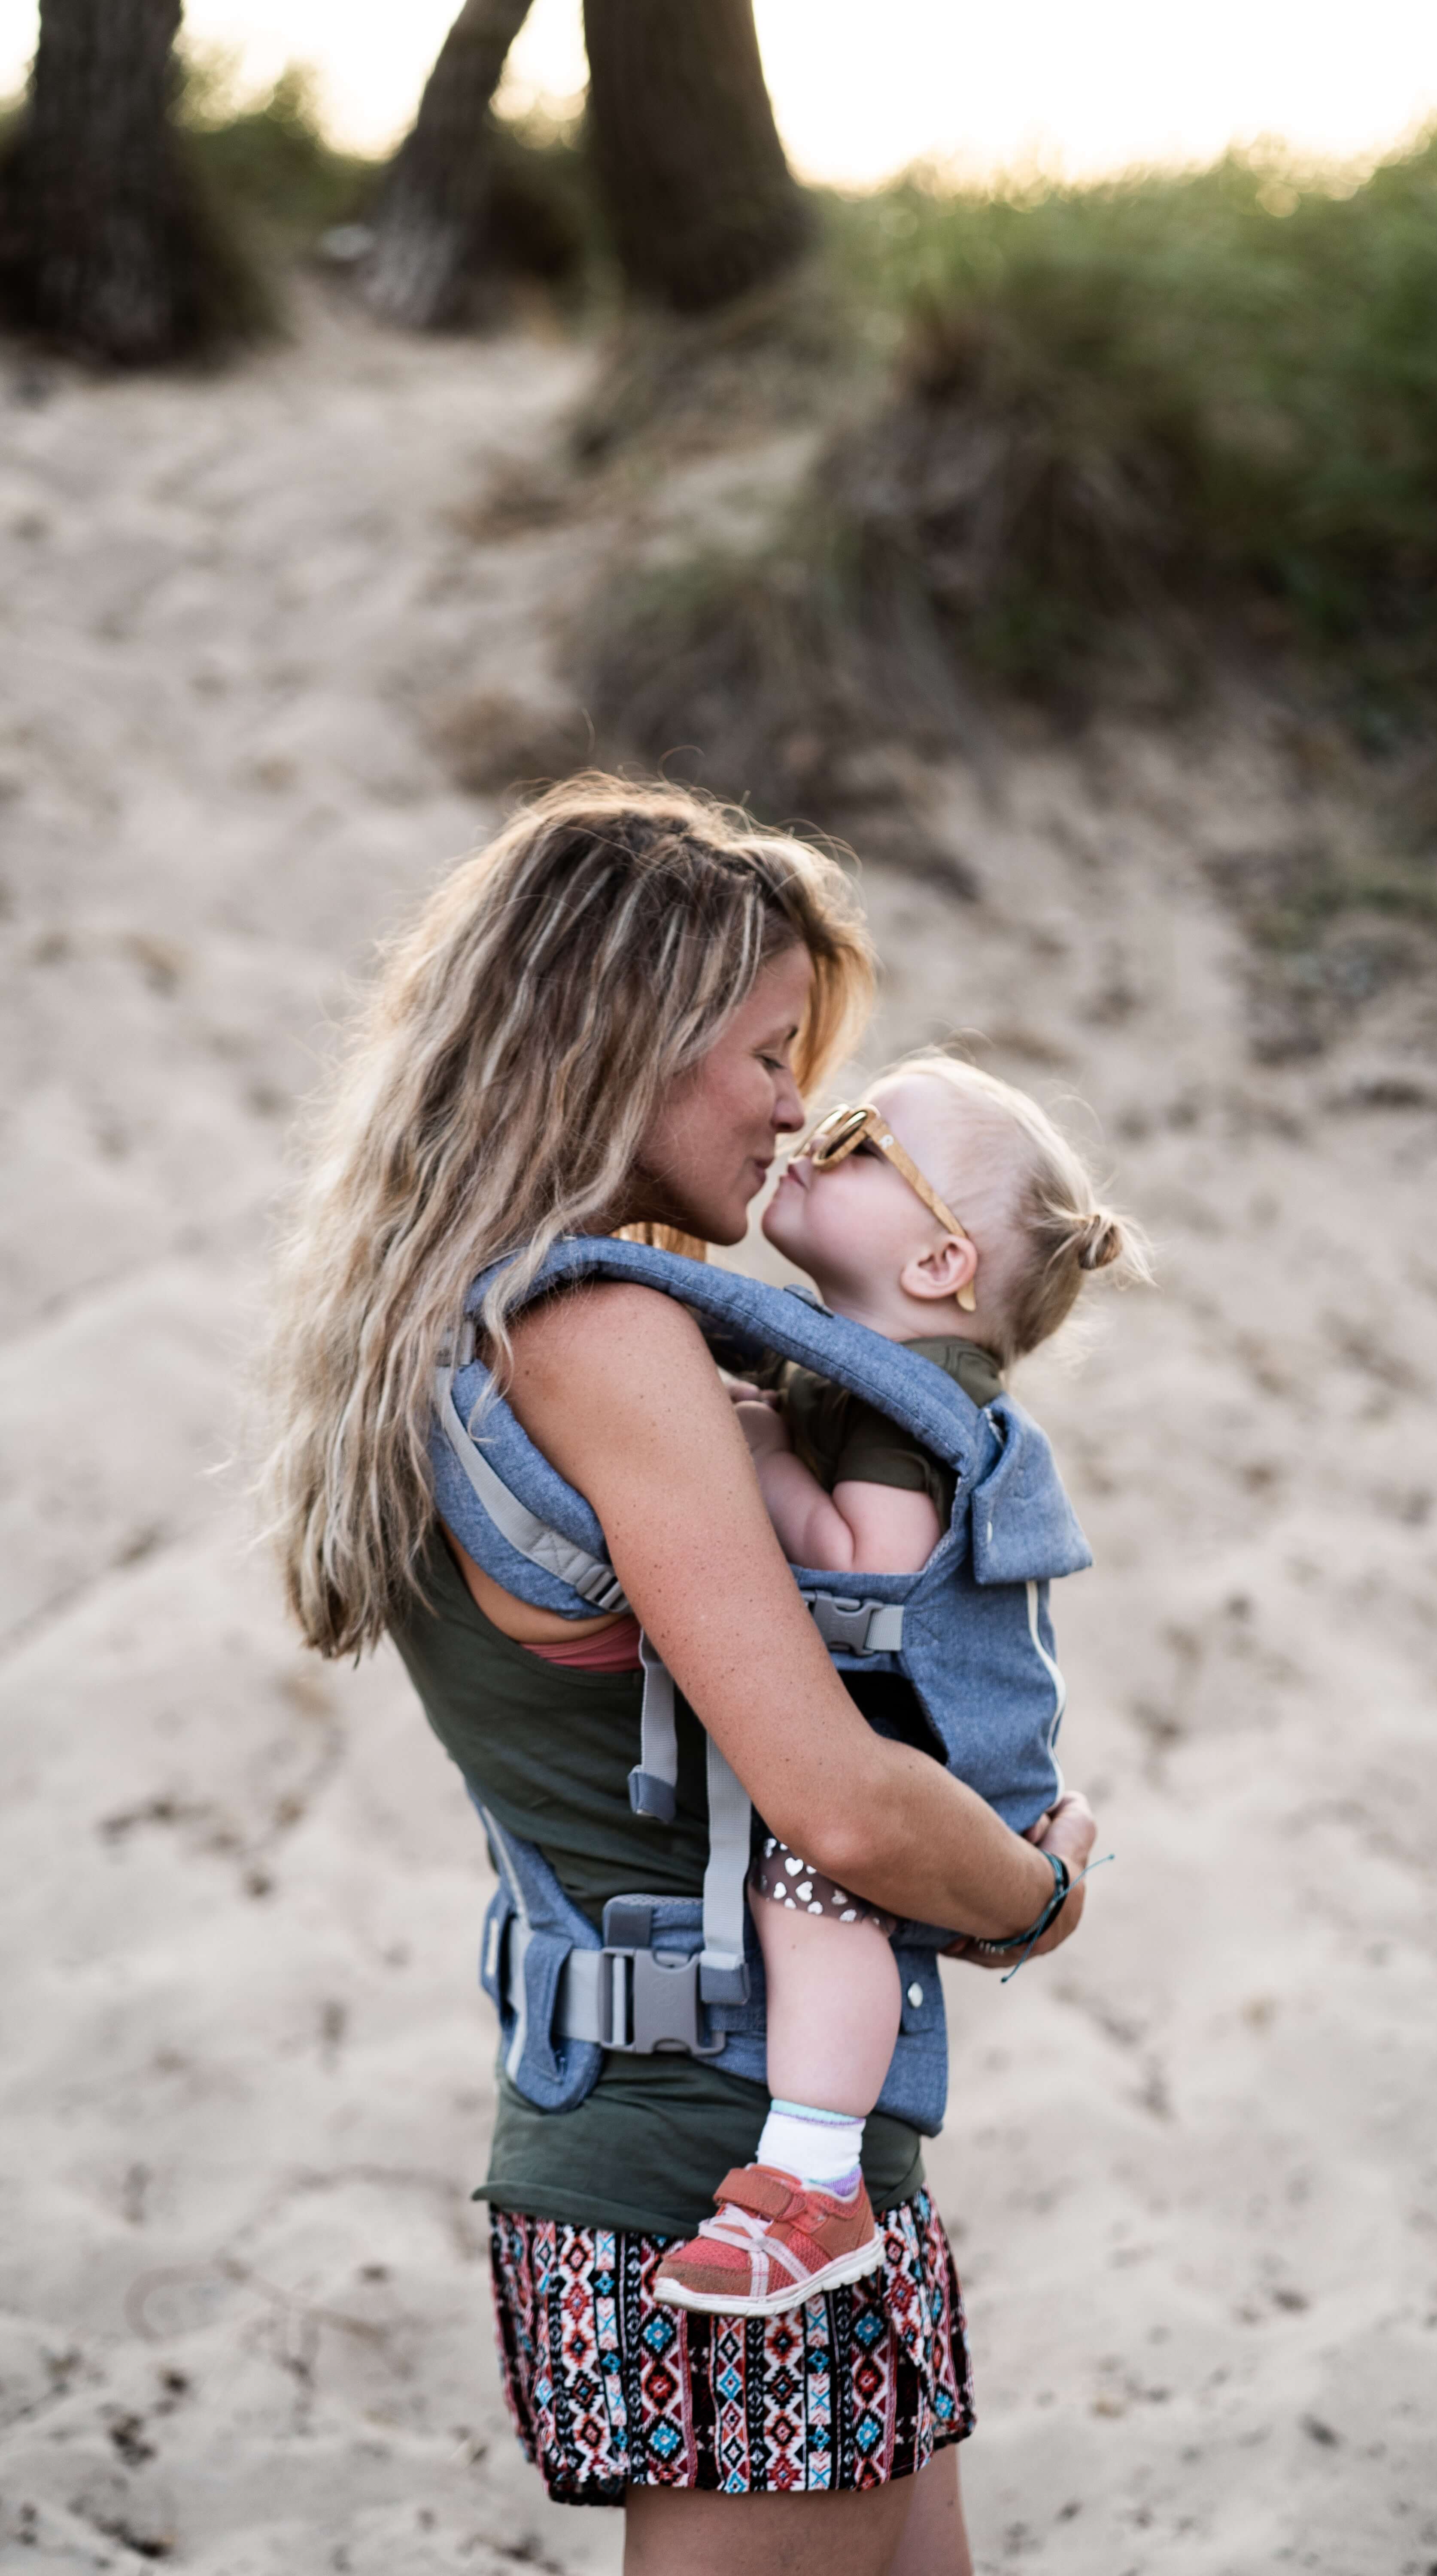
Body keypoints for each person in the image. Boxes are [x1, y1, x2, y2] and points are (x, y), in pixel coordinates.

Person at [261, 775, 1100, 2575]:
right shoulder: (606, 1333)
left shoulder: (466, 1309)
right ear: (621, 1043)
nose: (799, 1107)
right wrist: (1034, 1899)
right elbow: (839, 1801)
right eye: (771, 1053)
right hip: (720, 2164)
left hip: (695, 2132)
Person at [653, 1053, 1146, 2317]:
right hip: (926, 1721)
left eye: (865, 1137)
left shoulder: (905, 1402)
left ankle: (816, 2181)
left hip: (932, 1741)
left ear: (936, 1267)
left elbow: (878, 1567)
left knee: (817, 1884)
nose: (818, 1132)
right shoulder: (859, 1365)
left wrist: (757, 1451)